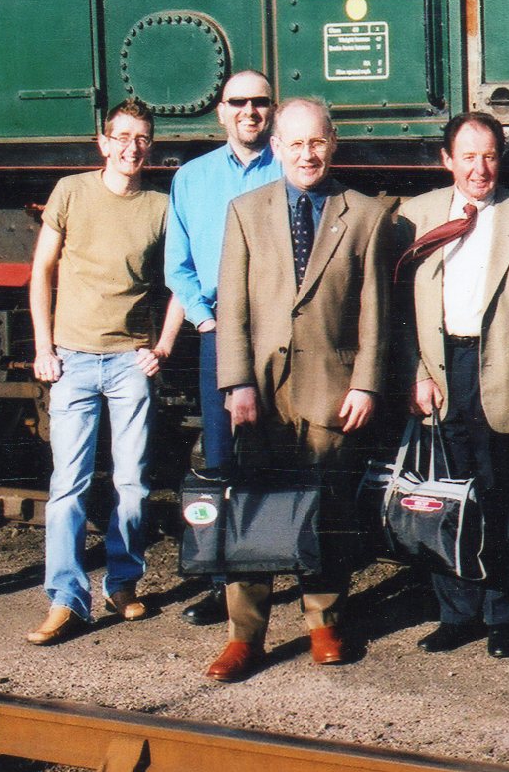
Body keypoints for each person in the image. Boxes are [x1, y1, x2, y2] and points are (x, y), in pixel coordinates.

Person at [204, 97, 392, 681]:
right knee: (253, 511)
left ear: (332, 143)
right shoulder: (245, 211)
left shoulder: (364, 213)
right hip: (259, 390)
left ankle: (325, 622)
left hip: (332, 389)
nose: (307, 154)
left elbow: (374, 312)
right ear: (277, 147)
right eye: (295, 144)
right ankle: (245, 636)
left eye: (317, 143)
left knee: (328, 510)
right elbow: (230, 306)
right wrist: (235, 382)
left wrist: (366, 383)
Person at [394, 112, 509, 659]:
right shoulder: (414, 216)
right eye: (467, 156)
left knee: (503, 500)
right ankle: (456, 612)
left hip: (504, 376)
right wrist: (416, 375)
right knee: (446, 497)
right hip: (442, 372)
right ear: (447, 161)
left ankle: (506, 615)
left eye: (489, 155)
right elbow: (400, 312)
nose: (479, 168)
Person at [25, 97, 184, 646]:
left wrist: (161, 348)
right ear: (103, 142)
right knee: (67, 486)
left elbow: (182, 282)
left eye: (141, 139)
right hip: (70, 359)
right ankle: (65, 599)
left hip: (129, 365)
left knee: (133, 485)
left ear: (149, 147)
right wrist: (43, 347)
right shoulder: (71, 191)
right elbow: (41, 270)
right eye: (122, 137)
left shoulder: (162, 207)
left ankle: (123, 584)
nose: (131, 148)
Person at [165, 70, 283, 626]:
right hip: (220, 332)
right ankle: (223, 585)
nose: (250, 112)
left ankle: (288, 565)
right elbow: (178, 265)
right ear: (220, 111)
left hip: (281, 334)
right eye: (239, 102)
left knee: (284, 455)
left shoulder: (291, 166)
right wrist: (204, 319)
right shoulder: (191, 179)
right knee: (220, 460)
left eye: (260, 102)